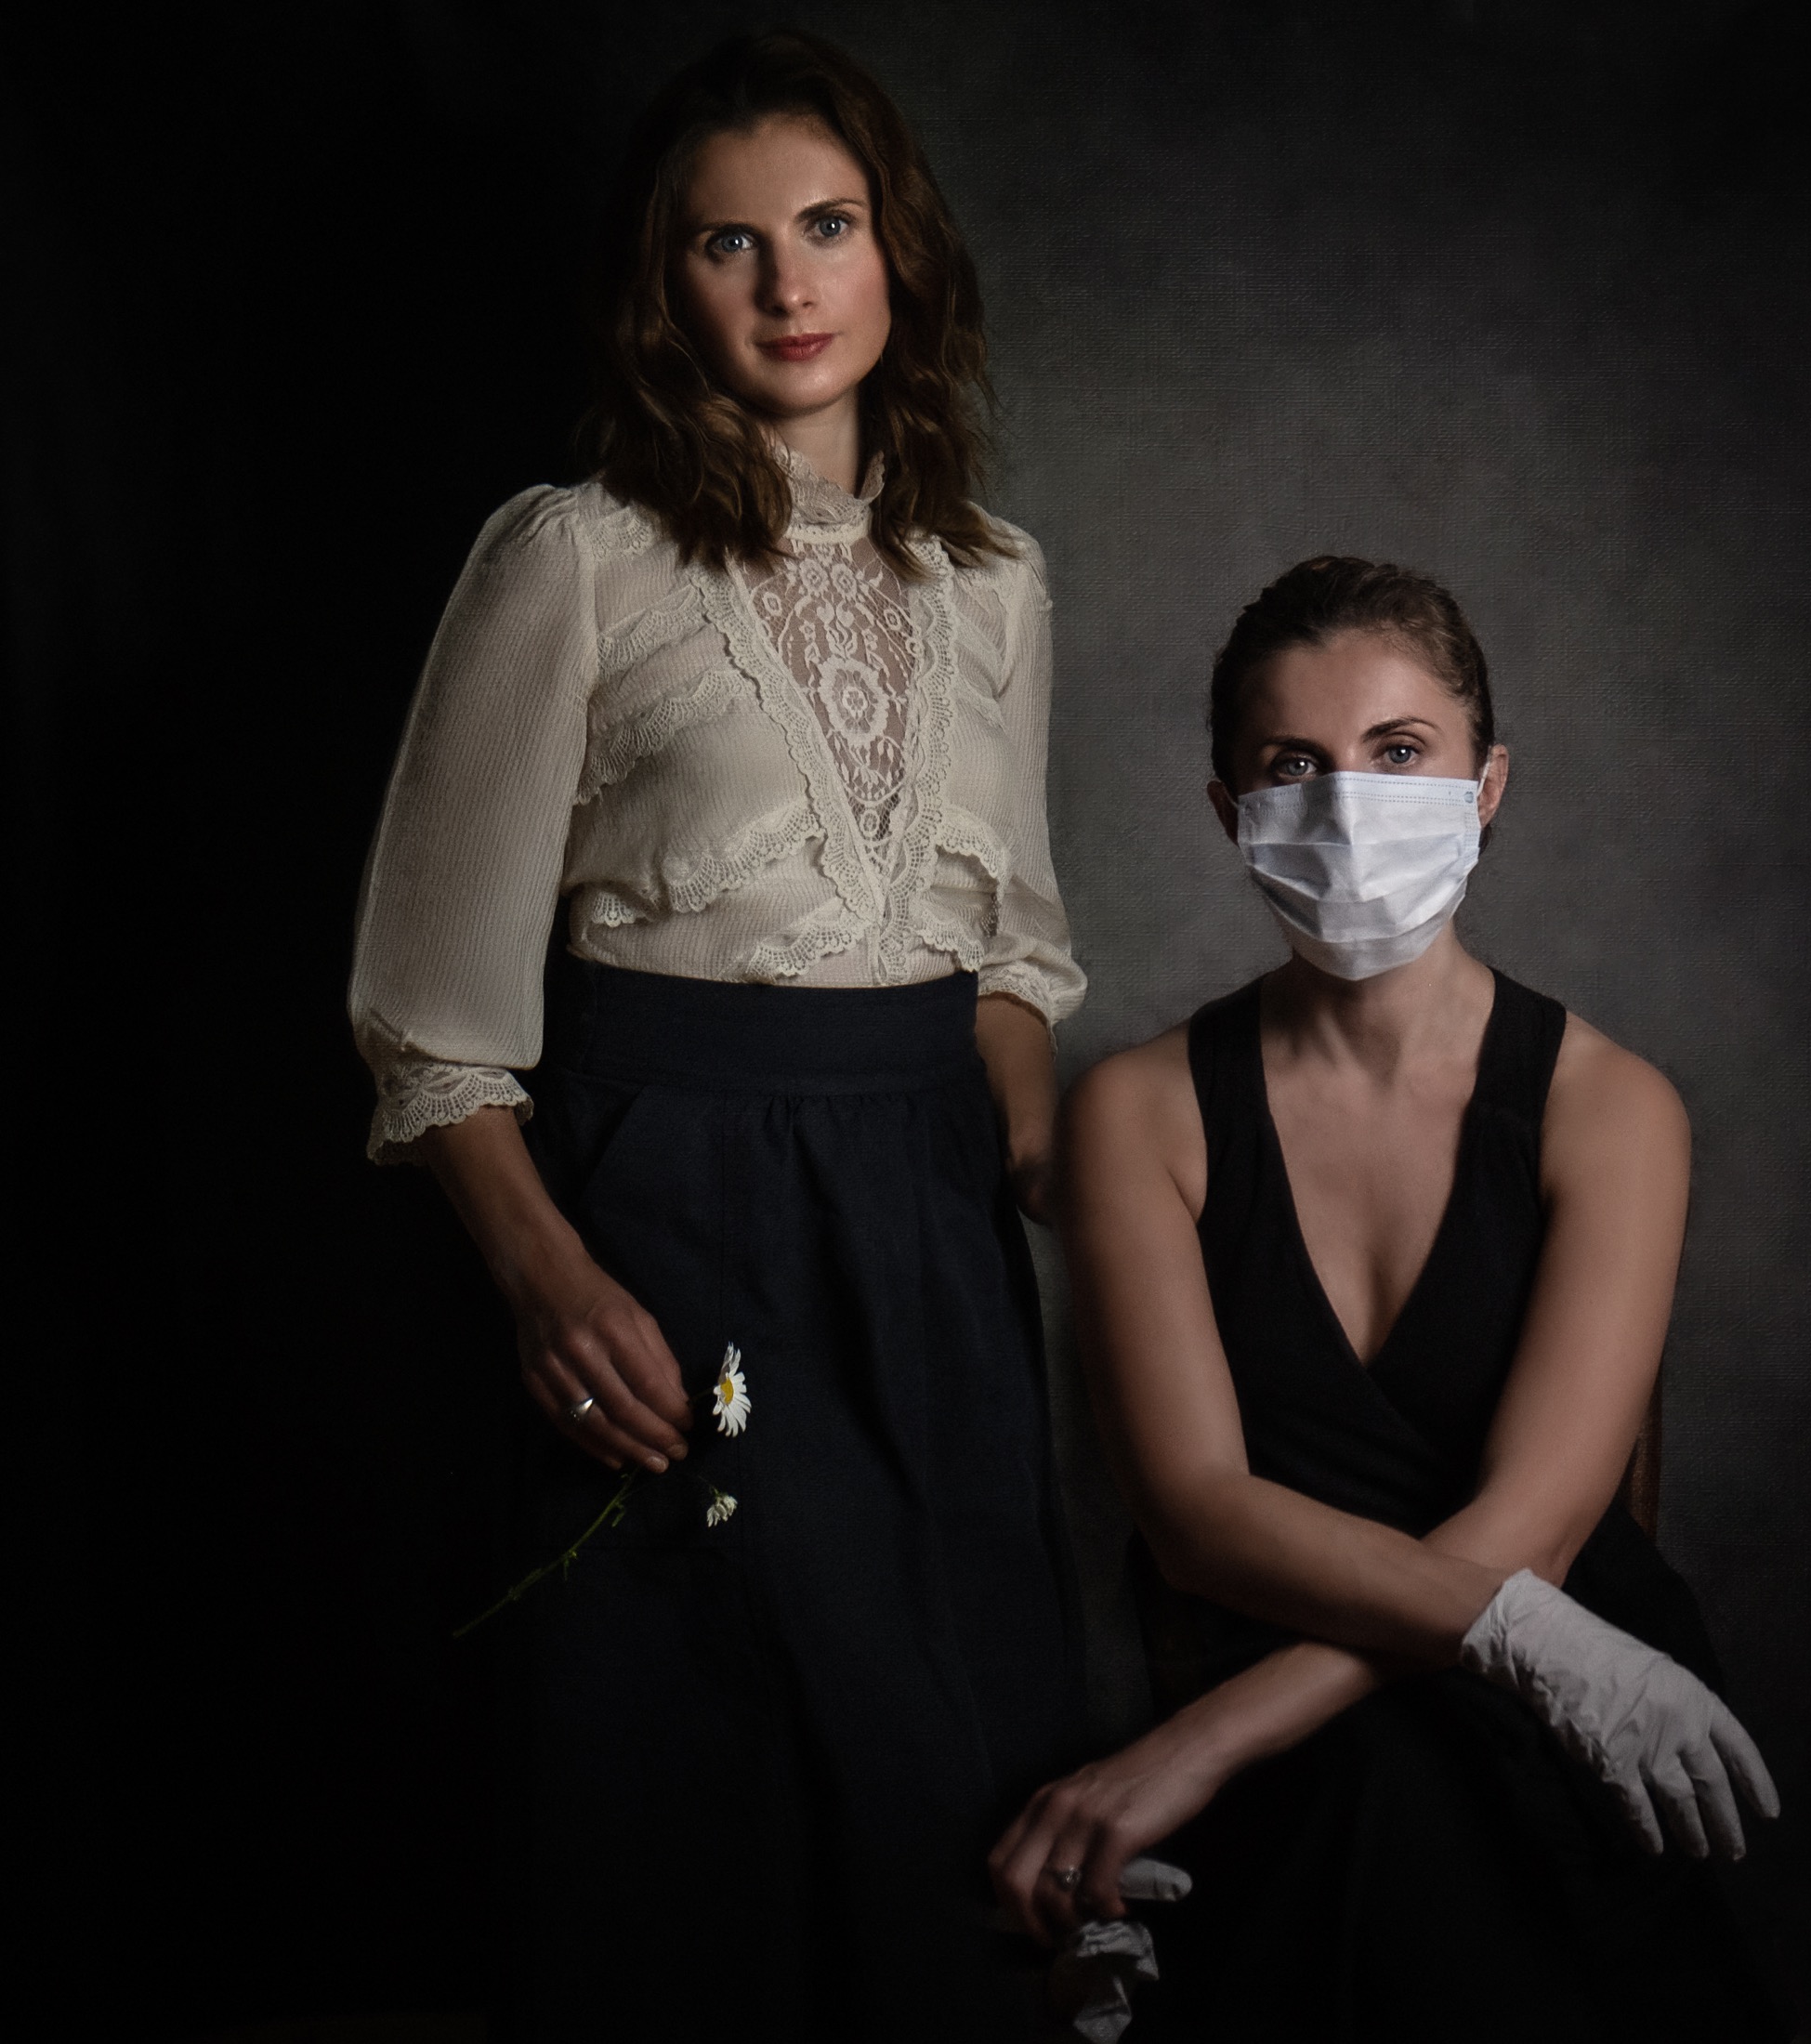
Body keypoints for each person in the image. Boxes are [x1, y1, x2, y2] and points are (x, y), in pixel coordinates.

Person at [347, 32, 1083, 2041]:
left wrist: (1059, 1174)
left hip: (926, 1219)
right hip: (669, 1195)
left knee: (953, 1778)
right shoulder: (570, 557)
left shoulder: (994, 583)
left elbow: (1010, 953)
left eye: (826, 227)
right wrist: (550, 1276)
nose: (786, 284)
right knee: (697, 1805)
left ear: (896, 256)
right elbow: (429, 1021)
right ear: (659, 289)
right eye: (724, 244)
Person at [991, 557, 1791, 2040]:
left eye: (1399, 753)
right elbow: (1197, 1515)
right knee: (1370, 1811)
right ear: (1230, 809)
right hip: (1329, 1693)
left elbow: (1532, 1541)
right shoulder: (1141, 1112)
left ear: (1486, 787)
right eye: (1294, 765)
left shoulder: (1612, 1109)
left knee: (1417, 1816)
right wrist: (1217, 1739)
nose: (1349, 807)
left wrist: (1186, 1753)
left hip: (1577, 1682)